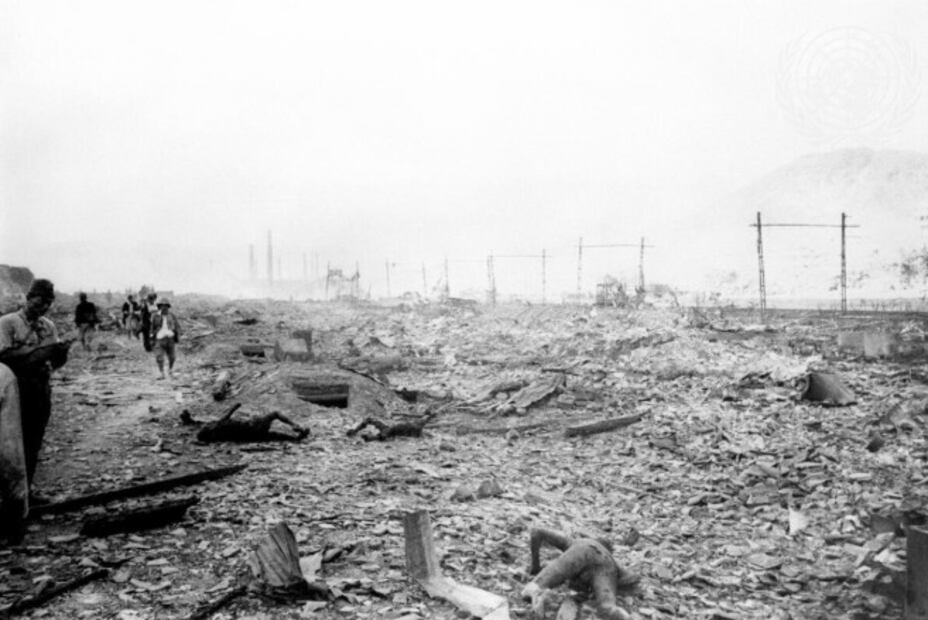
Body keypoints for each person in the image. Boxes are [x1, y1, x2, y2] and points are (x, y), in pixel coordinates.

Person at [0, 279, 70, 512]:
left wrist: (60, 354)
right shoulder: (8, 323)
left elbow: (55, 362)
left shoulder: (48, 326)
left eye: (48, 304)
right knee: (9, 445)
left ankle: (26, 492)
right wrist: (39, 353)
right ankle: (9, 497)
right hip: (13, 392)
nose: (43, 308)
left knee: (33, 441)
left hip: (40, 389)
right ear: (28, 298)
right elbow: (3, 358)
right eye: (39, 302)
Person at [150, 298, 180, 379]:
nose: (164, 308)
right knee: (159, 357)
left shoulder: (172, 315)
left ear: (168, 307)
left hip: (170, 338)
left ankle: (170, 370)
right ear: (159, 307)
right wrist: (152, 338)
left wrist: (176, 334)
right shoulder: (155, 316)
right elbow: (152, 328)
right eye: (162, 306)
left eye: (166, 306)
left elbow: (177, 326)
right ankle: (161, 373)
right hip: (159, 338)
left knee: (172, 357)